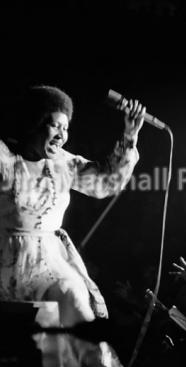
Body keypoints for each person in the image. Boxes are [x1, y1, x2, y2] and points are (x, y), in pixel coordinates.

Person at [0, 85, 145, 328]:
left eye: (66, 128)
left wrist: (130, 135)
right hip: (6, 257)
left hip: (47, 260)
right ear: (35, 122)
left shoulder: (64, 164)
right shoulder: (6, 158)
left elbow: (104, 182)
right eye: (56, 125)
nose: (62, 134)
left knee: (75, 301)